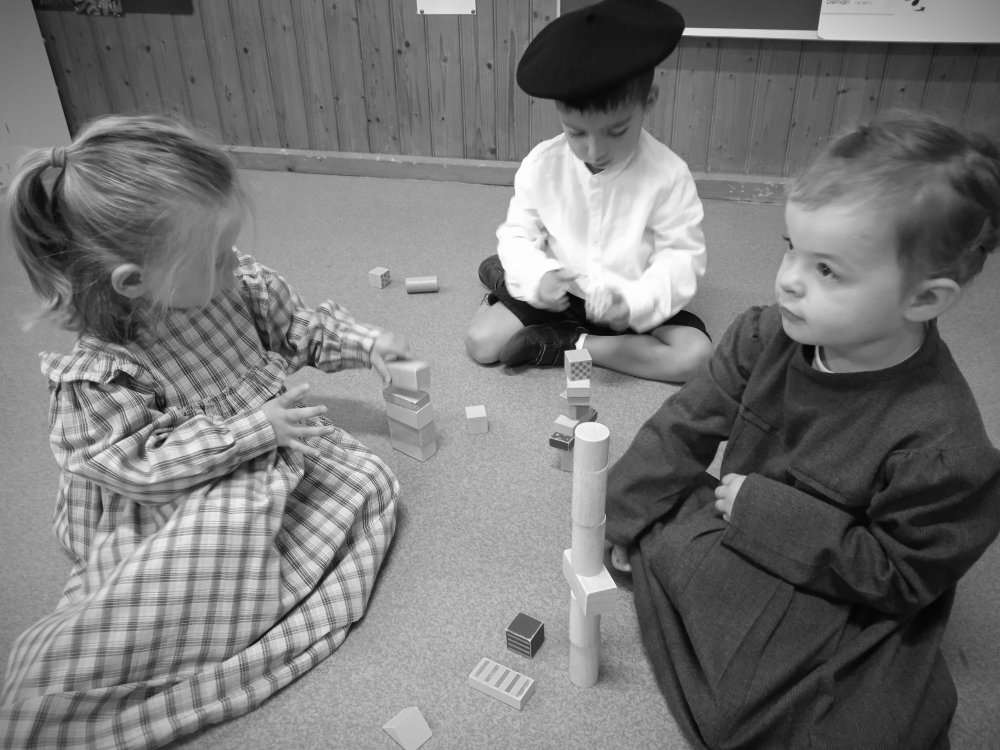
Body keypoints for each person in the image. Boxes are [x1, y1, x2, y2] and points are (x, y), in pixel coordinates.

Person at [0, 115, 407, 749]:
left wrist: (366, 343)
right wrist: (251, 431)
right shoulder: (101, 371)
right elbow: (139, 466)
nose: (233, 265)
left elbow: (298, 328)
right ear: (134, 281)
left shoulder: (234, 287)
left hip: (268, 449)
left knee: (368, 483)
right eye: (215, 258)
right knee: (194, 562)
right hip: (182, 491)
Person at [605, 115, 1000, 749]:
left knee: (846, 718)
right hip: (739, 526)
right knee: (655, 506)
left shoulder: (945, 448)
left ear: (924, 300)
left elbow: (902, 578)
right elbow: (681, 427)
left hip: (829, 574)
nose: (789, 278)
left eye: (827, 271)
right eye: (791, 247)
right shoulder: (763, 334)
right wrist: (620, 514)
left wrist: (767, 513)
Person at [464, 0, 714, 382]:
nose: (595, 151)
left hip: (627, 300)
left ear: (648, 101)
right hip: (561, 291)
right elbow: (518, 233)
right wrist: (537, 277)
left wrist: (633, 302)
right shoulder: (542, 164)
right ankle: (506, 277)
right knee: (481, 343)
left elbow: (682, 258)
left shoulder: (669, 175)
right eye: (576, 132)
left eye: (616, 130)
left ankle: (570, 342)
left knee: (696, 357)